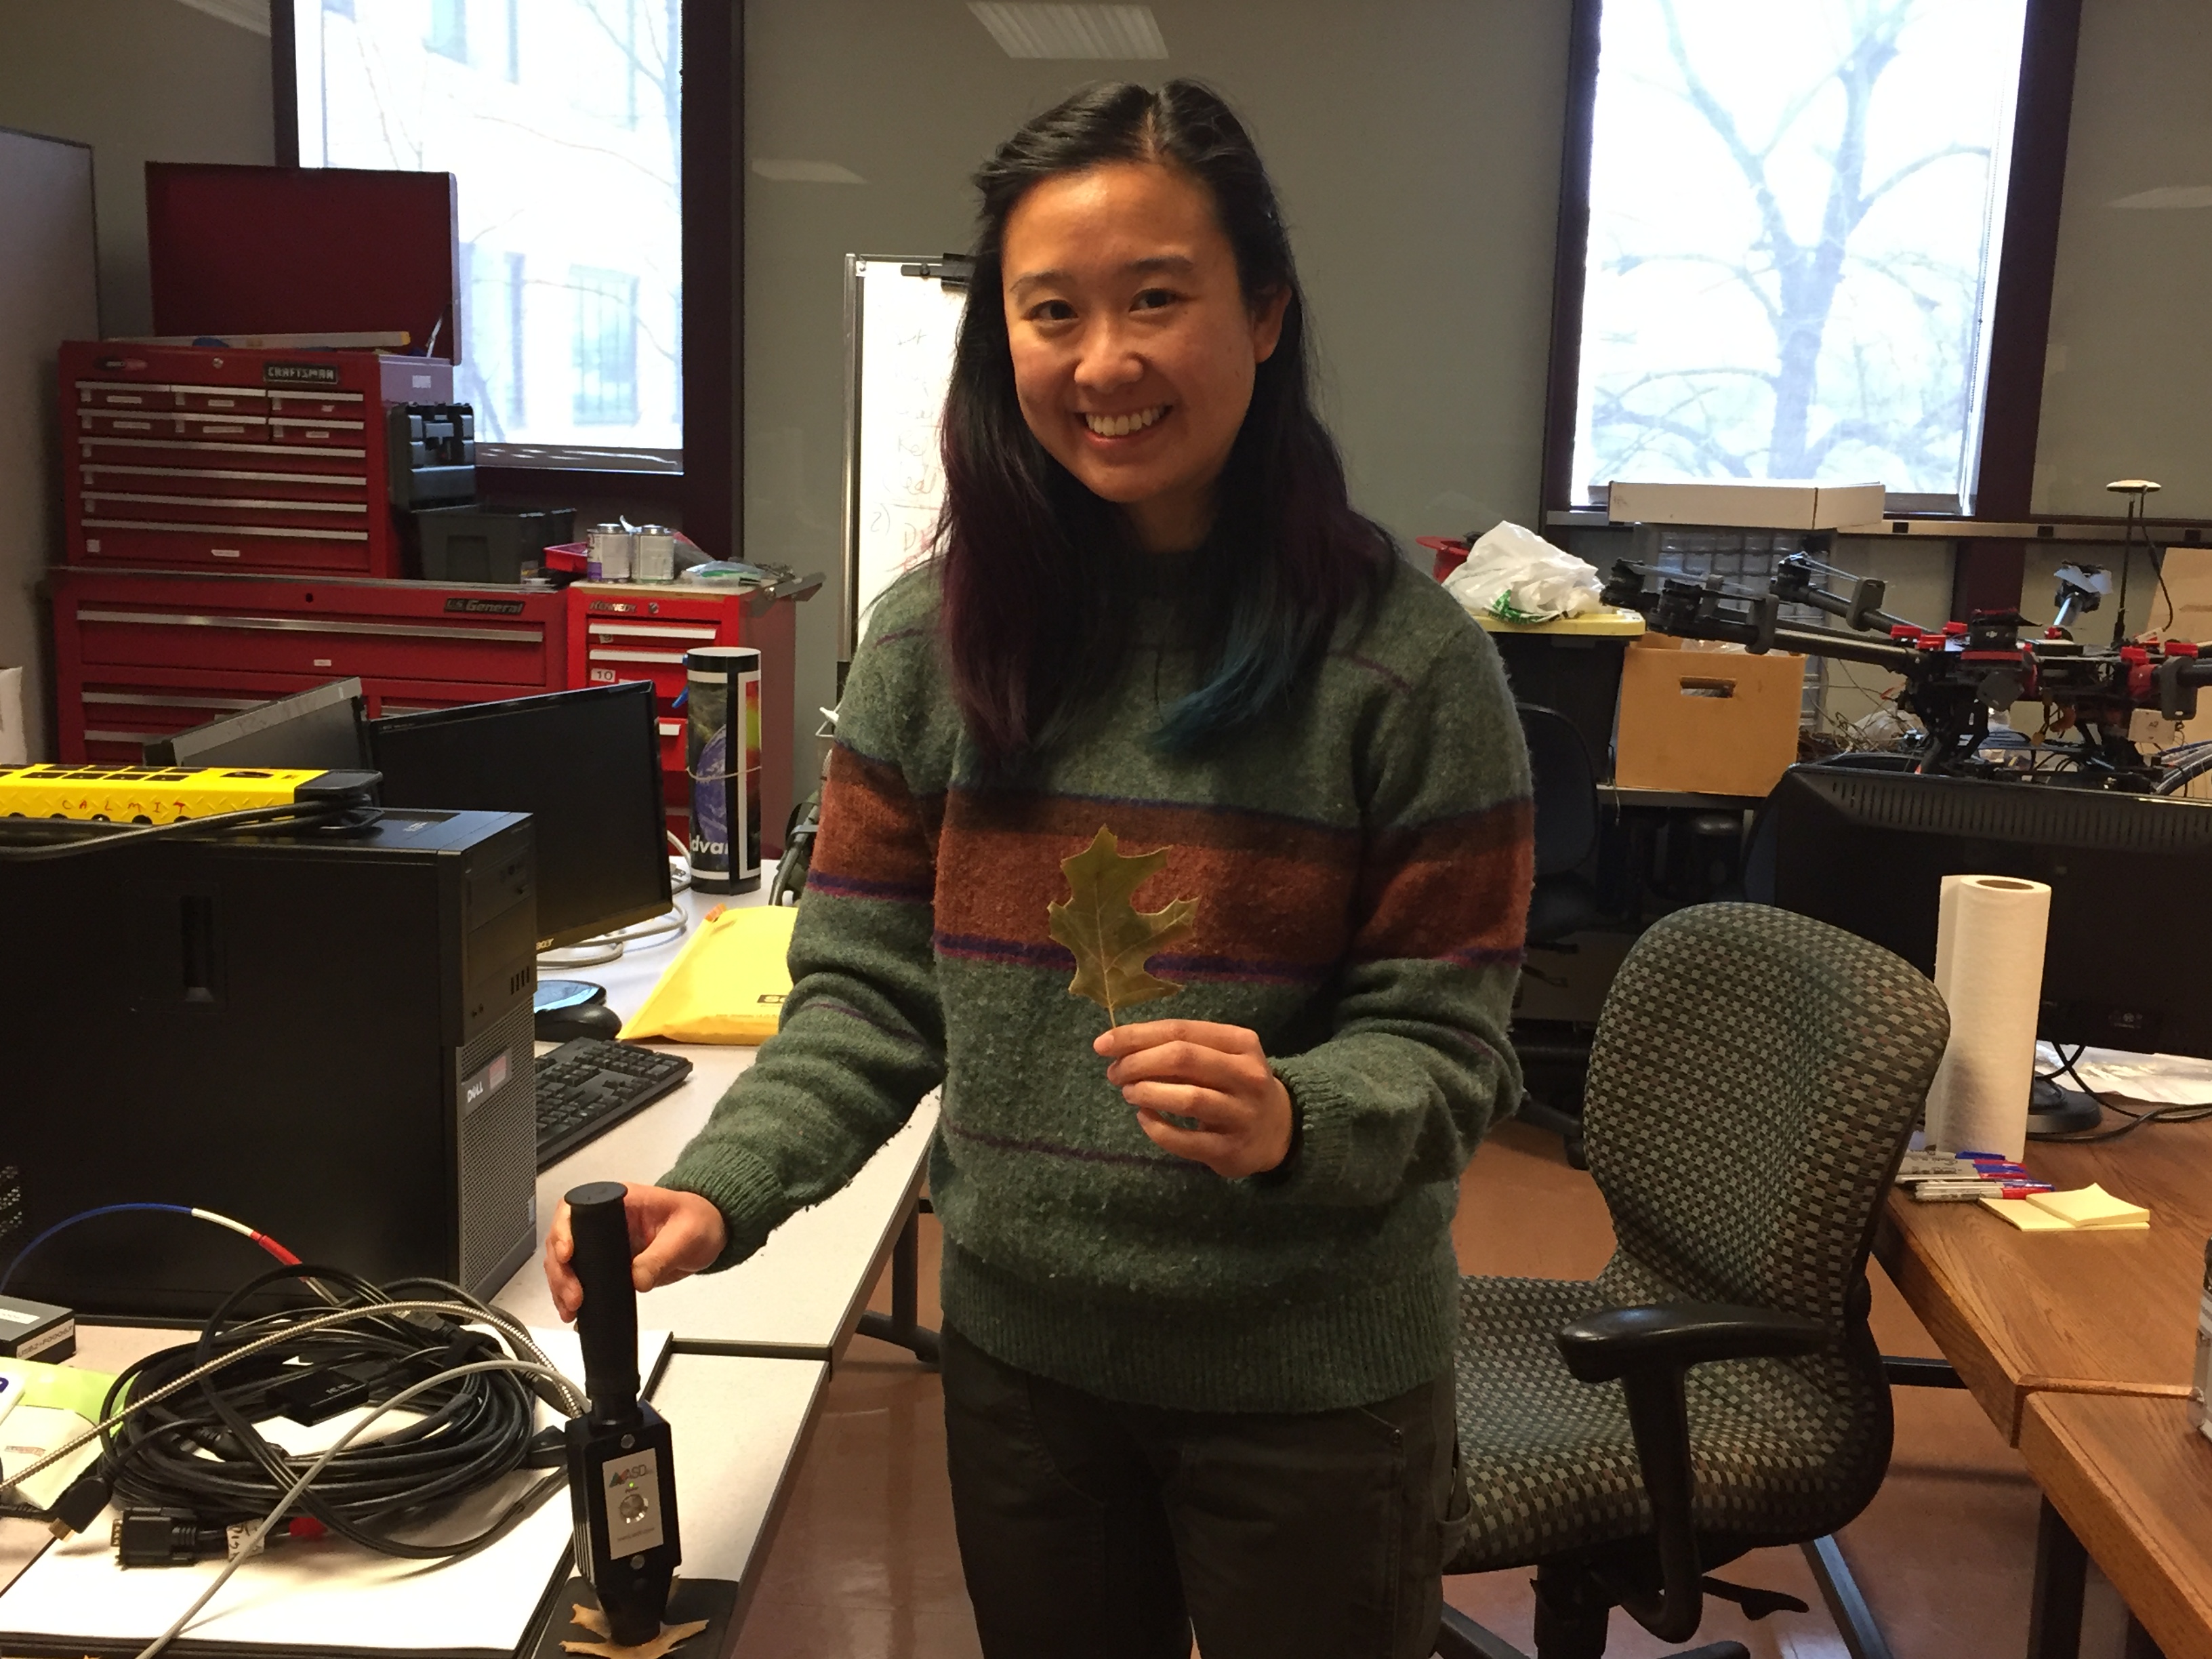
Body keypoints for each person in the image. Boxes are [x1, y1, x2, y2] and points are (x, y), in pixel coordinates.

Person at [545, 79, 1532, 1659]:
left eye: (1159, 300)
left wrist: (1296, 1113)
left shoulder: (1409, 670)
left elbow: (1452, 1048)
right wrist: (721, 1192)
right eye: (1052, 311)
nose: (1107, 362)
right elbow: (867, 1002)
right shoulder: (931, 649)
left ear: (1265, 315)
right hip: (1027, 1376)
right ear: (1001, 340)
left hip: (1311, 1386)